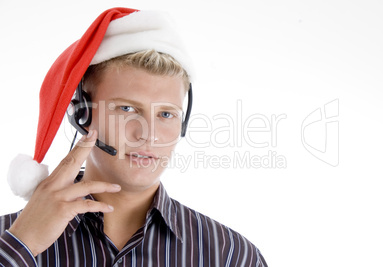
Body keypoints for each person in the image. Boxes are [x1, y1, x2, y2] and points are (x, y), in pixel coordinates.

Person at [0, 7, 267, 266]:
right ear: (82, 115)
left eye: (166, 114)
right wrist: (22, 245)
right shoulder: (9, 237)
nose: (148, 135)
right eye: (126, 109)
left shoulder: (233, 257)